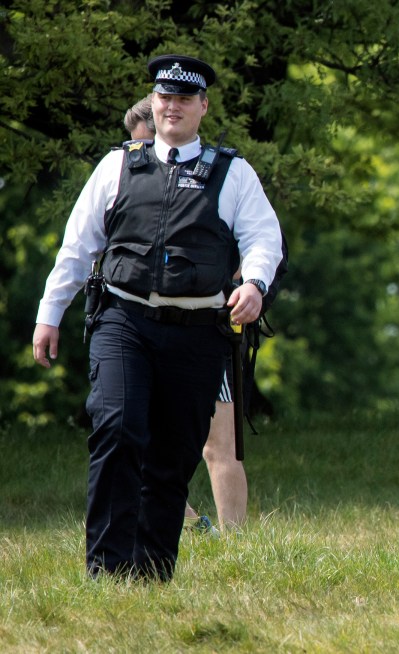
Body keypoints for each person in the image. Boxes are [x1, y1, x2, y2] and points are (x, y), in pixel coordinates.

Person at [33, 54, 282, 581]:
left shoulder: (232, 173)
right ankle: (106, 570)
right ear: (155, 103)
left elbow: (264, 238)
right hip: (124, 321)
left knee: (174, 456)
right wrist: (50, 312)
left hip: (198, 332)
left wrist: (255, 284)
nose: (172, 107)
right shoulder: (118, 166)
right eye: (164, 98)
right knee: (118, 430)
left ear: (202, 107)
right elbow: (77, 246)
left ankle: (150, 577)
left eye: (184, 99)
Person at [124, 95, 246, 533]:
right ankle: (192, 526)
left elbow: (256, 245)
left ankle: (236, 543)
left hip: (199, 330)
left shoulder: (217, 178)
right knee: (131, 438)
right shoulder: (127, 177)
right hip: (137, 331)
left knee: (219, 445)